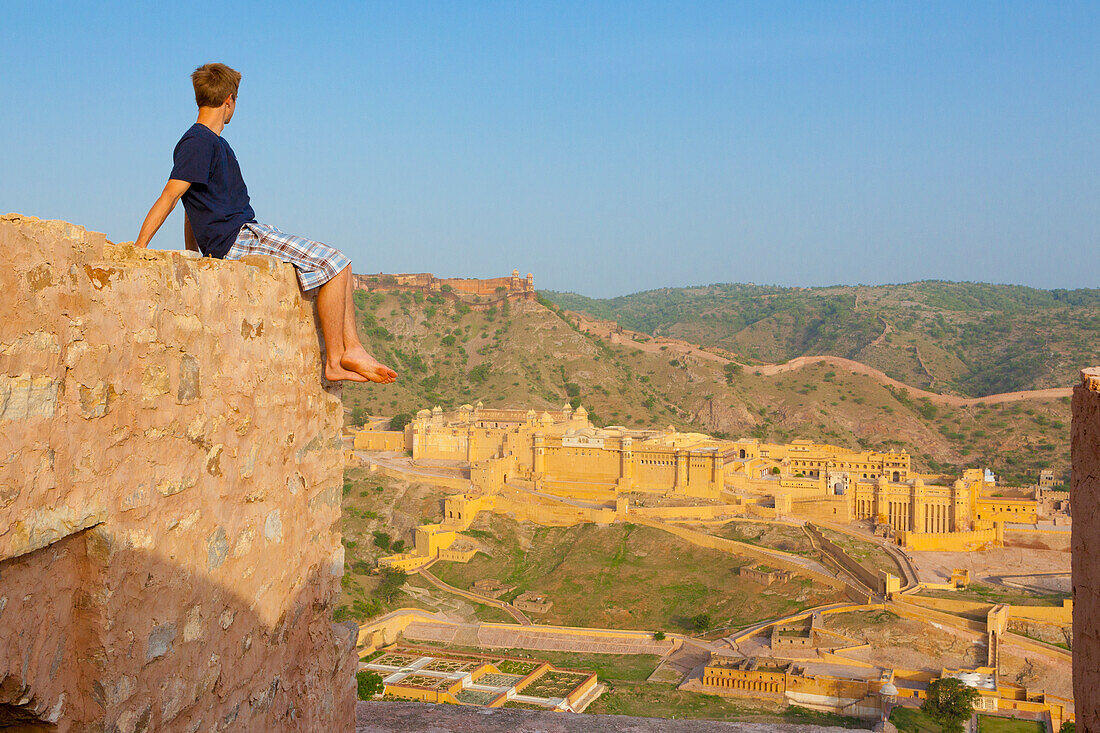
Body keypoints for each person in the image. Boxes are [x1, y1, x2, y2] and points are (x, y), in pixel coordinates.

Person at [134, 62, 396, 385]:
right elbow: (170, 196)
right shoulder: (199, 141)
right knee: (337, 263)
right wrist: (138, 249)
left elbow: (191, 204)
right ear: (229, 100)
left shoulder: (212, 144)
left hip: (242, 234)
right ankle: (338, 358)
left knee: (339, 265)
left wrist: (196, 254)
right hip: (239, 238)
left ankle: (352, 348)